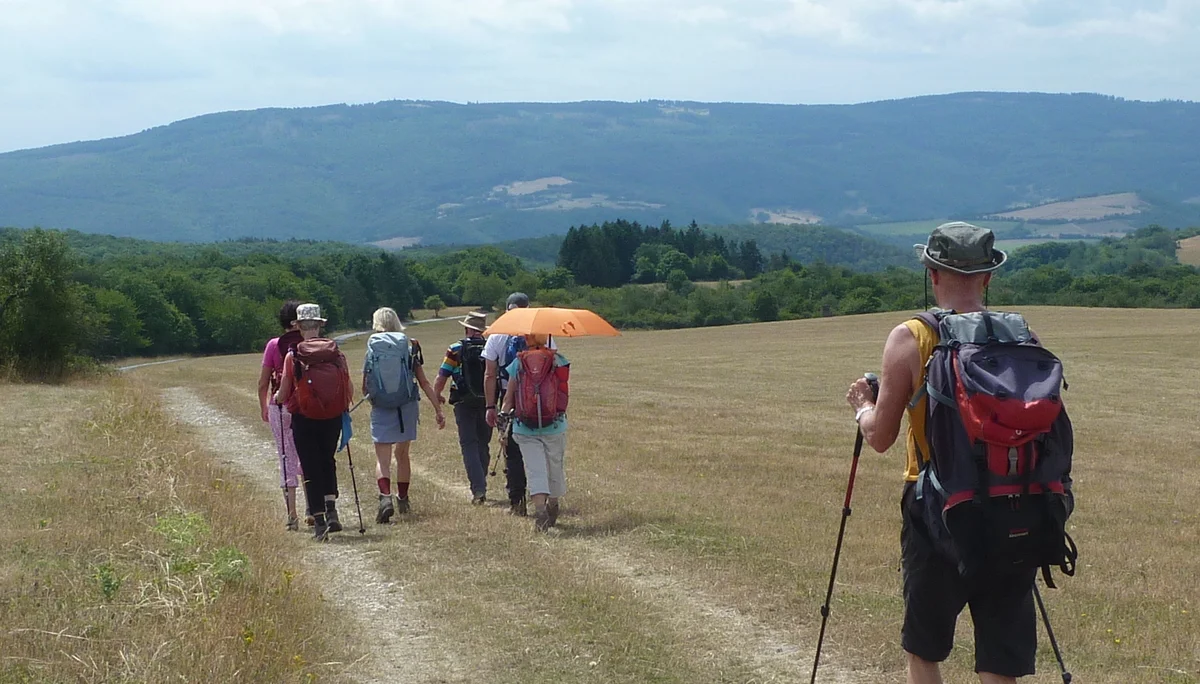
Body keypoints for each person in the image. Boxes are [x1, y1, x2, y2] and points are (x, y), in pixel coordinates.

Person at [845, 222, 1035, 683]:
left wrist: (863, 407)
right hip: (1015, 505)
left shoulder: (911, 337)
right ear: (988, 277)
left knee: (925, 648)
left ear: (932, 273)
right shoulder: (1019, 334)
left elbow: (882, 436)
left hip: (936, 508)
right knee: (999, 658)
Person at [273, 303, 353, 541]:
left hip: (304, 417)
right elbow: (348, 388)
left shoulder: (293, 355)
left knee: (310, 465)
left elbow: (284, 391)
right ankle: (332, 509)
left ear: (298, 326)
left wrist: (276, 400)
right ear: (319, 325)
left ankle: (318, 521)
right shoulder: (336, 353)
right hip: (332, 416)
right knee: (327, 459)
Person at [362, 307, 444, 523]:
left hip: (381, 407)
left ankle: (385, 498)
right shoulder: (407, 346)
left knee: (383, 458)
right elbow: (424, 382)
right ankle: (403, 499)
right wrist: (438, 409)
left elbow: (365, 383)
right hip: (406, 406)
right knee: (402, 455)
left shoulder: (372, 346)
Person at [484, 292, 557, 516]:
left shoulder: (497, 334)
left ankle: (517, 502)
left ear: (507, 309)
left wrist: (490, 406)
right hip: (543, 398)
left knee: (512, 451)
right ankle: (546, 499)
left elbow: (489, 373)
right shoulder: (544, 333)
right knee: (544, 448)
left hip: (509, 396)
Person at [500, 333, 570, 532]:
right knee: (554, 465)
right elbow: (563, 392)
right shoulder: (559, 360)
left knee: (534, 468)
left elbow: (509, 396)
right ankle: (553, 505)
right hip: (555, 425)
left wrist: (503, 419)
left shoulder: (519, 361)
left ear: (528, 340)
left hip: (525, 426)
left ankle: (540, 511)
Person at [257, 299, 308, 530]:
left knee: (286, 457)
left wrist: (263, 407)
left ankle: (292, 515)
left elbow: (263, 381)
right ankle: (312, 508)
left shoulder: (273, 345)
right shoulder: (310, 343)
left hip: (281, 405)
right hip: (307, 406)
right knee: (307, 457)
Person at [432, 311, 493, 504]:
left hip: (463, 401)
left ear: (467, 328)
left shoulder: (456, 348)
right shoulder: (491, 346)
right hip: (487, 401)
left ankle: (479, 488)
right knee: (483, 443)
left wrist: (437, 396)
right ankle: (480, 481)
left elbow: (442, 375)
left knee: (469, 445)